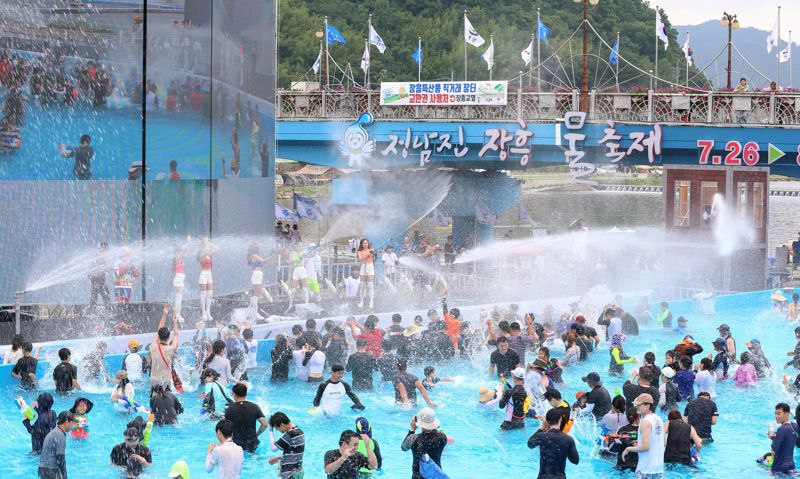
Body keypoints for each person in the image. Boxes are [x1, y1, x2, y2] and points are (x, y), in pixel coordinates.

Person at [527, 408, 580, 479]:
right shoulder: (568, 439)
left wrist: (541, 428)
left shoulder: (542, 436)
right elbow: (575, 461)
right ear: (561, 419)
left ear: (547, 421)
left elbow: (530, 444)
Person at [621, 394, 664, 479]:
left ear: (647, 406)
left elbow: (645, 447)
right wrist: (639, 444)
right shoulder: (659, 420)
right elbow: (661, 442)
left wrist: (628, 449)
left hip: (646, 469)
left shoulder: (645, 422)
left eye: (639, 405)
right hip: (658, 468)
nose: (636, 406)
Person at [401, 408, 448, 479]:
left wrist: (412, 430)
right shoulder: (442, 437)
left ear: (418, 422)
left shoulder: (413, 438)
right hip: (435, 476)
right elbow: (434, 434)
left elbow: (403, 447)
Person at [224, 383, 267, 452]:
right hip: (252, 443)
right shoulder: (255, 407)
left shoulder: (229, 409)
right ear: (246, 394)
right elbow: (265, 424)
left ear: (234, 394)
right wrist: (257, 434)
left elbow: (226, 428)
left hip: (237, 444)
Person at [38, 411, 76, 479]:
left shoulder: (54, 431)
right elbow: (61, 458)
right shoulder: (60, 435)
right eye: (72, 423)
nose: (72, 426)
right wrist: (65, 477)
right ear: (67, 422)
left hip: (42, 469)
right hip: (51, 470)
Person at [150, 304, 180, 390]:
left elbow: (158, 331)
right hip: (165, 382)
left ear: (159, 336)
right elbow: (176, 335)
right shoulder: (170, 349)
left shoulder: (153, 346)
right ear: (168, 337)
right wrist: (175, 319)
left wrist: (164, 314)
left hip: (154, 381)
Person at [268, 412, 305, 479]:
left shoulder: (290, 434)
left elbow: (273, 448)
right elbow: (295, 453)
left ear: (282, 425)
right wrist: (280, 458)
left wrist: (271, 430)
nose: (277, 430)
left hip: (290, 474)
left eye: (277, 428)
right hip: (298, 472)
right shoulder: (299, 431)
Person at [770, 403, 798, 475]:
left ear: (787, 414)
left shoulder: (781, 430)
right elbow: (788, 440)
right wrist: (774, 437)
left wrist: (772, 437)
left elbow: (774, 451)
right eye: (775, 414)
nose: (776, 416)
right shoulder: (795, 426)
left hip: (779, 468)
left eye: (779, 414)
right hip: (791, 466)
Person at [198, 237, 220, 321]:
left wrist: (209, 242)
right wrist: (206, 243)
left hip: (209, 274)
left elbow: (217, 248)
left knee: (210, 294)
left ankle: (208, 311)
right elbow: (205, 252)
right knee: (203, 294)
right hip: (203, 274)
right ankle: (203, 312)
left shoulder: (208, 253)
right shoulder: (201, 254)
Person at [88, 242, 110, 308]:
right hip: (97, 280)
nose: (107, 251)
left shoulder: (102, 257)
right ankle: (93, 312)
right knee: (102, 296)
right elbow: (91, 270)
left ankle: (93, 312)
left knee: (97, 296)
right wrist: (93, 275)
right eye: (106, 249)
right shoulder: (98, 257)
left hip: (100, 280)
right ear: (101, 248)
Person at [357, 239, 376, 309]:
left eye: (366, 243)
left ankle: (371, 301)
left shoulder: (371, 250)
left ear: (368, 244)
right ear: (361, 244)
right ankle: (361, 301)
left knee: (370, 285)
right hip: (363, 267)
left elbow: (373, 255)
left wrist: (371, 252)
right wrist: (366, 255)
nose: (365, 244)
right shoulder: (359, 251)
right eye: (364, 243)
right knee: (362, 285)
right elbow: (360, 259)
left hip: (370, 267)